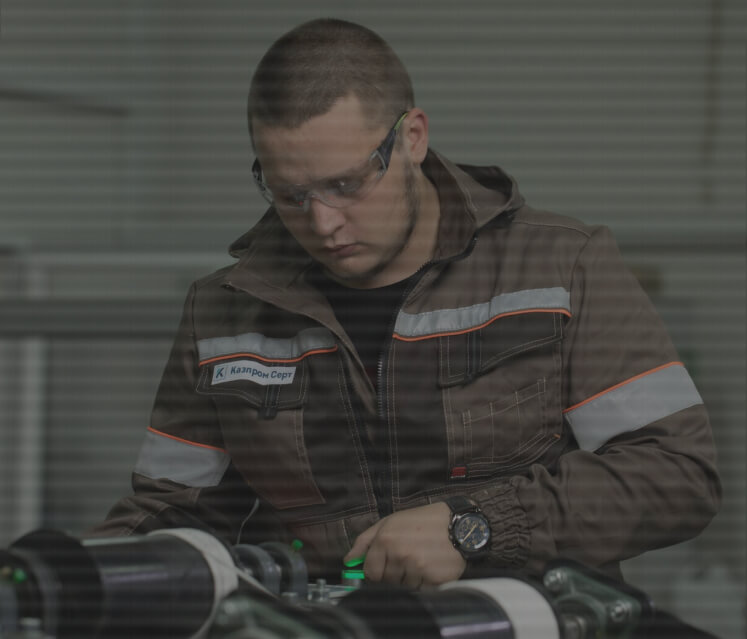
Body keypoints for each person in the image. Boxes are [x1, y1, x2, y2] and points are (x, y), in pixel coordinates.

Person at [89, 18, 720, 588]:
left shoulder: (561, 268)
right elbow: (169, 515)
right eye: (290, 194)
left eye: (347, 184)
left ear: (412, 137)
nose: (324, 223)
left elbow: (675, 473)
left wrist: (473, 527)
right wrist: (83, 580)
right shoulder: (221, 312)